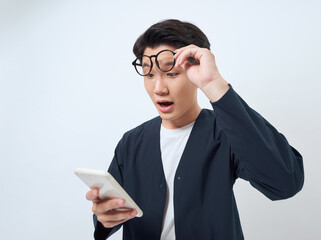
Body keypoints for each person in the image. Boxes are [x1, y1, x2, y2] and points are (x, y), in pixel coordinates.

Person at [86, 19, 304, 240]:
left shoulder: (224, 133)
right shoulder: (131, 143)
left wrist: (214, 84)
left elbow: (285, 181)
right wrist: (104, 217)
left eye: (171, 74)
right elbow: (109, 213)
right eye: (149, 74)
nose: (158, 88)